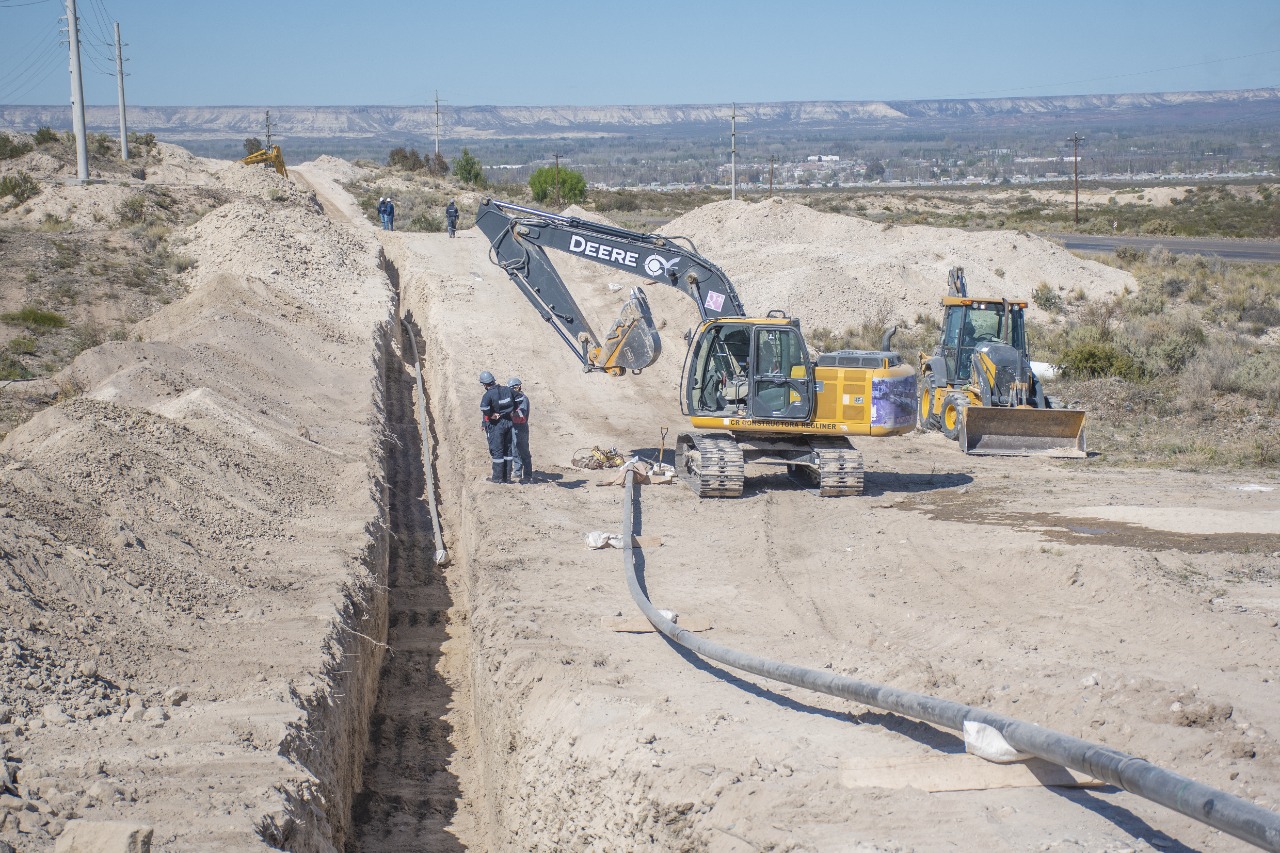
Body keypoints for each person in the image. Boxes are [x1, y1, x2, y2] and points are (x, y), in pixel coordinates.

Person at [478, 370, 514, 483]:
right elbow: (518, 399)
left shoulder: (488, 394)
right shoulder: (506, 390)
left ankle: (497, 478)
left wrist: (490, 415)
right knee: (507, 450)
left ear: (484, 384)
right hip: (509, 422)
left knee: (497, 450)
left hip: (497, 425)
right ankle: (507, 477)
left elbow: (484, 409)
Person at [509, 377, 532, 483]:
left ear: (518, 387)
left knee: (523, 451)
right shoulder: (513, 398)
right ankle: (517, 471)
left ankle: (527, 474)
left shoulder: (523, 399)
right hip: (514, 426)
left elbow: (522, 415)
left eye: (514, 388)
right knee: (514, 449)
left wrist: (511, 413)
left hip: (521, 428)